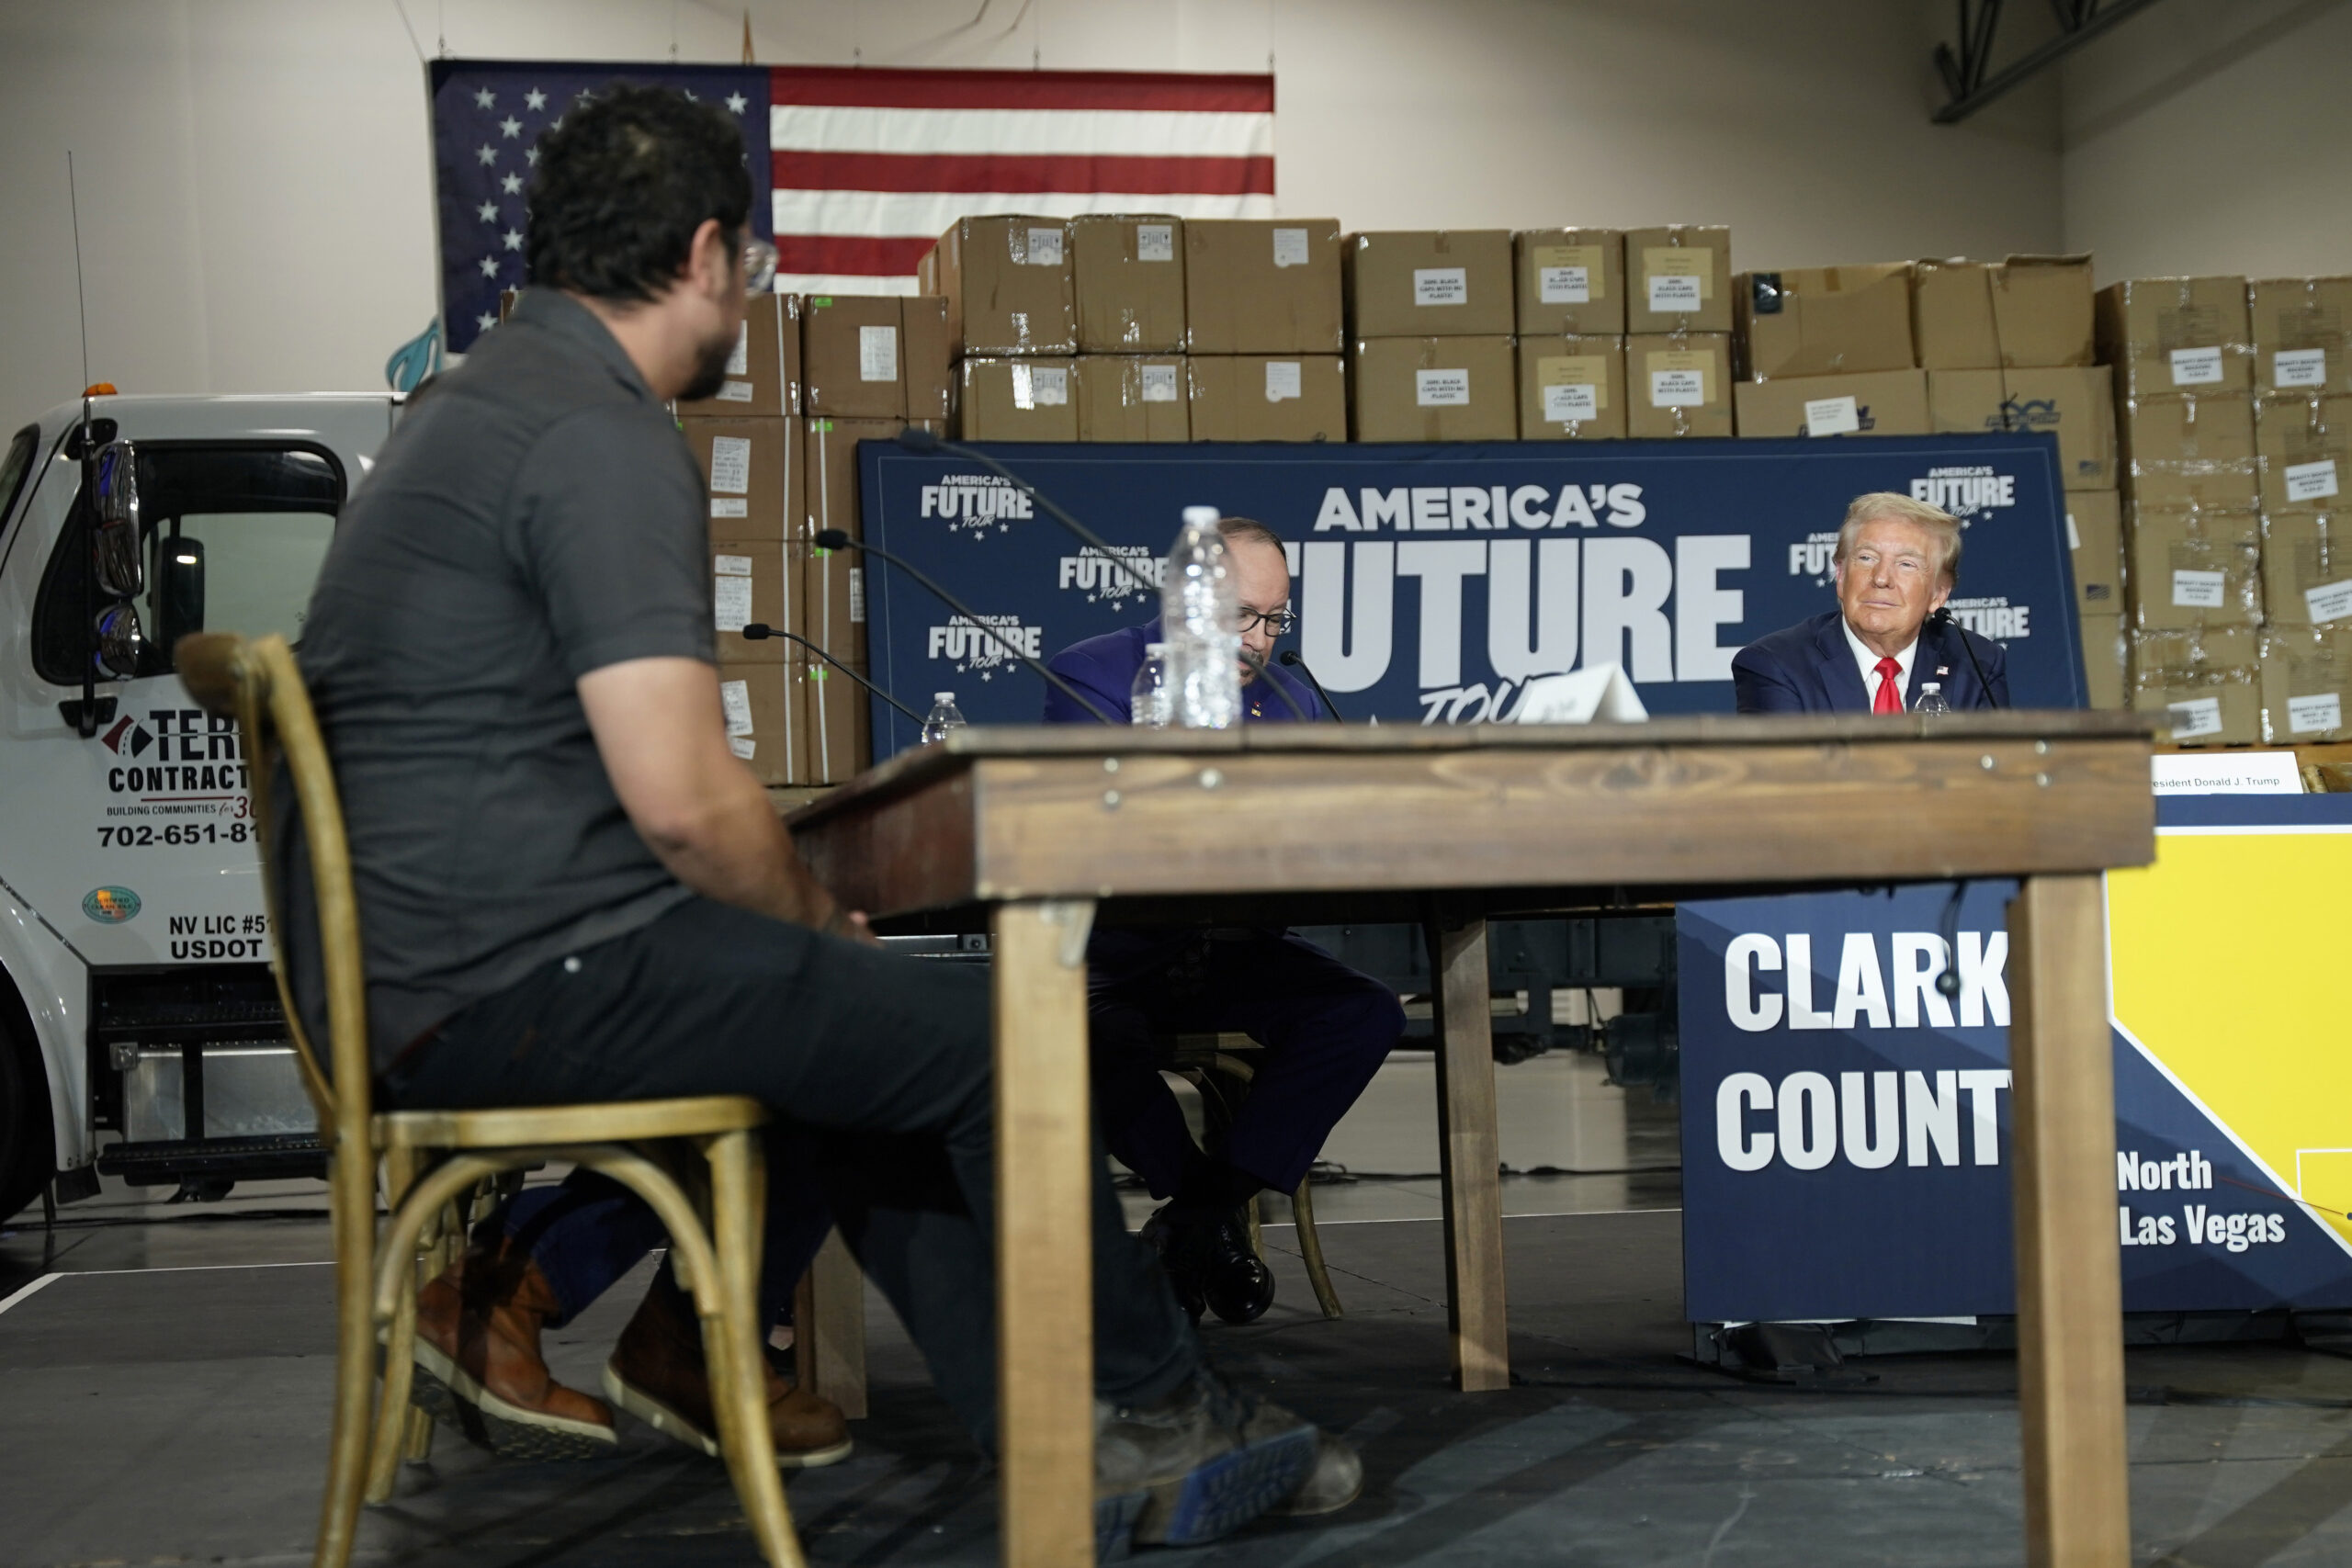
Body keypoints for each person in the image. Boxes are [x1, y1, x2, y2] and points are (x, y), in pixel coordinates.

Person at [275, 85, 1355, 1548]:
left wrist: (801, 935)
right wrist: (798, 907)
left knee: (871, 1029)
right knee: (970, 1033)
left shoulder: (484, 405)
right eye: (759, 264)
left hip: (428, 974)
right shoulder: (596, 431)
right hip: (498, 983)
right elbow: (680, 794)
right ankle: (1150, 1409)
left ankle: (1066, 1441)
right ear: (711, 254)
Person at [1042, 521, 1408, 1324]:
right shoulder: (1093, 674)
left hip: (1236, 947)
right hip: (1117, 953)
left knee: (1365, 1012)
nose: (1261, 640)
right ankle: (1206, 1219)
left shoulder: (1288, 694)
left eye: (1276, 620)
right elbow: (1107, 824)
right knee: (1083, 1037)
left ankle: (1195, 1219)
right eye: (1243, 616)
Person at [1732, 491, 2009, 714]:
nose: (1881, 578)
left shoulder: (1977, 664)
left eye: (1906, 564)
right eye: (1866, 558)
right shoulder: (1776, 665)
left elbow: (1998, 775)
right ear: (1840, 576)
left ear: (1938, 594)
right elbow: (1783, 780)